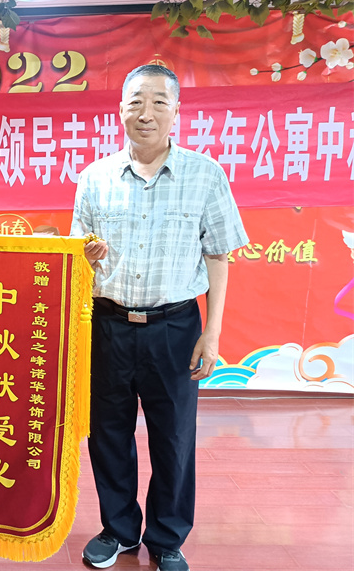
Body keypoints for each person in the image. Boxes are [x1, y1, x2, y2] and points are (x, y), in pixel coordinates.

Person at [70, 64, 247, 571]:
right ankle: (118, 530)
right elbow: (79, 256)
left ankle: (167, 538)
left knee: (173, 438)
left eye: (158, 102)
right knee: (108, 434)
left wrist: (211, 334)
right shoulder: (95, 177)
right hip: (108, 326)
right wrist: (89, 255)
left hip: (175, 328)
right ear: (120, 110)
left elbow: (218, 256)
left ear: (175, 112)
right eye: (135, 102)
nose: (145, 113)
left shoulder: (205, 175)